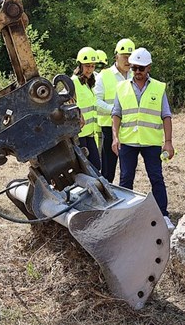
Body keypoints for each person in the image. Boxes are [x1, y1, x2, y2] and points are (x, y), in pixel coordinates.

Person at [111, 47, 175, 231]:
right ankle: (125, 216)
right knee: (125, 179)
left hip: (151, 142)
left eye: (141, 68)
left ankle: (163, 215)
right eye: (134, 68)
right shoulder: (121, 87)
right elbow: (116, 114)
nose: (137, 72)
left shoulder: (158, 87)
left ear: (149, 68)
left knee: (156, 178)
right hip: (128, 142)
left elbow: (166, 116)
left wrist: (168, 142)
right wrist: (115, 138)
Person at [94, 38, 134, 183]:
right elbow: (95, 101)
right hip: (109, 128)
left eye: (131, 57)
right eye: (125, 56)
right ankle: (105, 197)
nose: (128, 60)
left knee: (127, 171)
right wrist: (114, 111)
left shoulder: (134, 76)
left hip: (129, 129)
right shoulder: (104, 75)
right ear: (116, 56)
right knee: (108, 171)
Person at [71, 47, 101, 170]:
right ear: (80, 65)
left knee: (96, 165)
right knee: (85, 168)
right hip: (79, 134)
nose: (90, 69)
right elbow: (68, 103)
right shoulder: (73, 82)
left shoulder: (89, 83)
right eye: (87, 66)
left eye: (93, 66)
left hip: (89, 133)